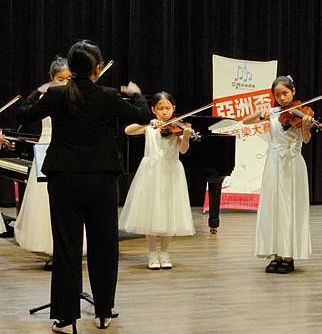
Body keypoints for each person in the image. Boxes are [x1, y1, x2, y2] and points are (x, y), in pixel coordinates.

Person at [17, 39, 150, 333]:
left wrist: (37, 91)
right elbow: (143, 116)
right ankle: (103, 311)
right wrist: (138, 95)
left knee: (66, 247)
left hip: (64, 178)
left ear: (71, 67)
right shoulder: (109, 95)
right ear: (97, 69)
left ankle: (65, 317)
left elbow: (22, 114)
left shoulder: (54, 95)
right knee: (104, 246)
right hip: (102, 179)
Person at [14, 56, 88, 270]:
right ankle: (52, 251)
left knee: (69, 203)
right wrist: (39, 90)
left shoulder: (78, 98)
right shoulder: (46, 98)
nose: (64, 83)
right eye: (59, 79)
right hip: (47, 151)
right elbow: (25, 112)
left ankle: (68, 250)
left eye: (68, 78)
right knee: (45, 205)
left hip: (70, 152)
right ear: (52, 79)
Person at [243, 75, 314, 274]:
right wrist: (261, 112)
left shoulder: (302, 112)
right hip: (274, 163)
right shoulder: (274, 113)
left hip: (293, 164)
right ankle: (275, 254)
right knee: (273, 207)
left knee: (291, 207)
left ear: (293, 91)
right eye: (278, 95)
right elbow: (245, 122)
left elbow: (306, 140)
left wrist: (307, 125)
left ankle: (289, 256)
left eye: (285, 93)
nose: (282, 98)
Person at [118, 91, 195, 269]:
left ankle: (165, 252)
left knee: (168, 213)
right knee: (151, 214)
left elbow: (183, 150)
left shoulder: (178, 129)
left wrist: (187, 136)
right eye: (160, 108)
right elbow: (127, 130)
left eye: (168, 108)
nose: (165, 112)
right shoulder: (150, 129)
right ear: (154, 110)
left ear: (174, 108)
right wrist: (149, 124)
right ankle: (152, 253)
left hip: (171, 172)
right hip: (151, 174)